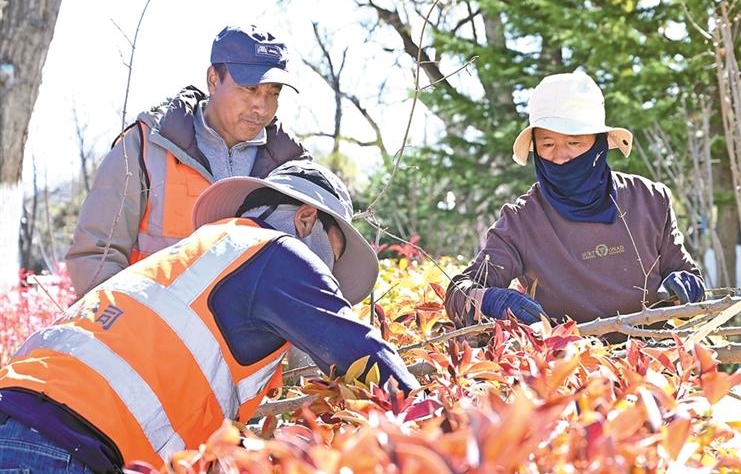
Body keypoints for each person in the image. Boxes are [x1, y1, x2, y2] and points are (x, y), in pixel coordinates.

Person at [0, 161, 418, 473]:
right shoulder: (278, 252)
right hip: (58, 441)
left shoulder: (203, 256)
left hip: (26, 420)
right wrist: (433, 427)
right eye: (334, 253)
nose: (329, 273)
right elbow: (362, 353)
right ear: (306, 219)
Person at [444, 72, 705, 329]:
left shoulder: (649, 200)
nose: (560, 156)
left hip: (654, 351)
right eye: (548, 144)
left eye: (574, 142)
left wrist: (686, 287)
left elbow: (688, 280)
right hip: (566, 354)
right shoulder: (522, 221)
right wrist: (492, 300)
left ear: (599, 143)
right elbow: (459, 293)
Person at [65, 24, 310, 297]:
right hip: (146, 322)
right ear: (213, 80)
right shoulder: (146, 145)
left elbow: (311, 274)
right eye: (250, 88)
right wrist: (128, 321)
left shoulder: (293, 170)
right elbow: (96, 254)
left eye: (273, 93)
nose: (262, 106)